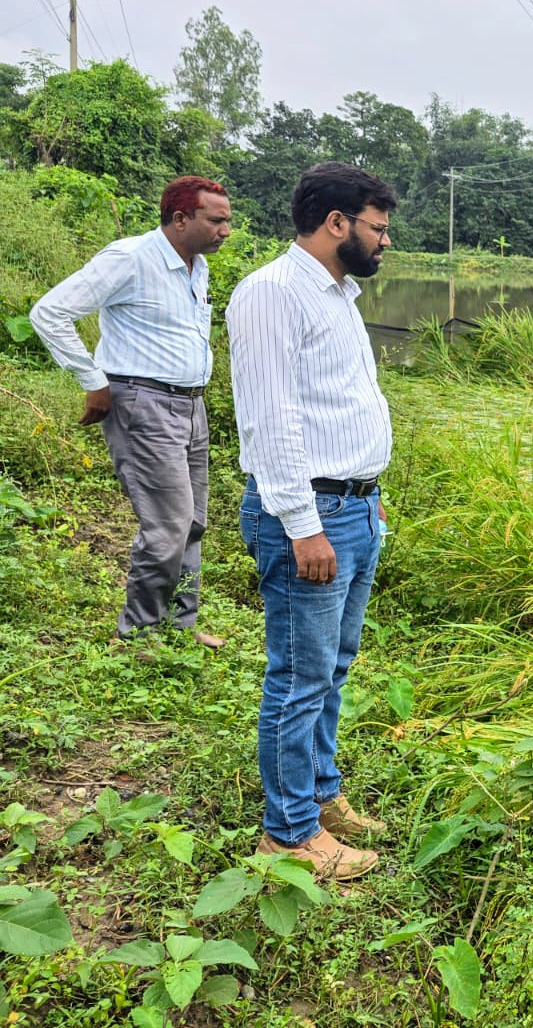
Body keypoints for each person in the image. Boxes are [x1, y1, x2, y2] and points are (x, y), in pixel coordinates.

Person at [228, 161, 396, 881]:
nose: (385, 241)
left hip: (352, 506)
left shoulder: (338, 294)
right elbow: (271, 420)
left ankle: (322, 796)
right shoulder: (271, 295)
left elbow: (335, 404)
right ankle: (288, 834)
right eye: (377, 228)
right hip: (310, 513)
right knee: (298, 676)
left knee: (332, 666)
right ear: (337, 224)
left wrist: (367, 493)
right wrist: (303, 524)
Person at [29, 176, 233, 650]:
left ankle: (179, 627)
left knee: (193, 522)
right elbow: (49, 312)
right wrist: (93, 381)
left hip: (190, 403)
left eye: (227, 221)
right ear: (181, 219)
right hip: (143, 403)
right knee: (167, 526)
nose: (226, 230)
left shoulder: (195, 265)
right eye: (216, 220)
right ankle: (139, 635)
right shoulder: (130, 258)